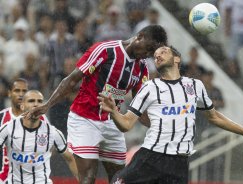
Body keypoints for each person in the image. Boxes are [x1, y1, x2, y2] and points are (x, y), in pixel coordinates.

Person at [98, 46, 243, 184]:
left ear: (177, 59)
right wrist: (114, 112)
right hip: (151, 157)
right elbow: (127, 124)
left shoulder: (195, 86)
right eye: (155, 55)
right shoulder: (150, 87)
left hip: (179, 164)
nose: (157, 56)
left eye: (163, 52)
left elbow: (215, 117)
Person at [24, 25, 168, 183]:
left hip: (112, 122)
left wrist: (160, 127)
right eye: (147, 49)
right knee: (88, 178)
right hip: (84, 119)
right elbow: (72, 79)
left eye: (150, 54)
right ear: (139, 37)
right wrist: (47, 105)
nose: (146, 55)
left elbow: (139, 107)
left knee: (119, 179)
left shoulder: (142, 68)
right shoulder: (106, 50)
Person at [0, 90, 78, 183]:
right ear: (22, 106)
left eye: (40, 101)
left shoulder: (52, 132)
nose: (36, 104)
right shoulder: (8, 128)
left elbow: (70, 159)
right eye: (31, 101)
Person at [0, 78, 49, 183]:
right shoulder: (1, 117)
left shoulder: (42, 119)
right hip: (5, 178)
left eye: (24, 91)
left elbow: (50, 145)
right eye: (17, 90)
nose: (21, 94)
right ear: (9, 93)